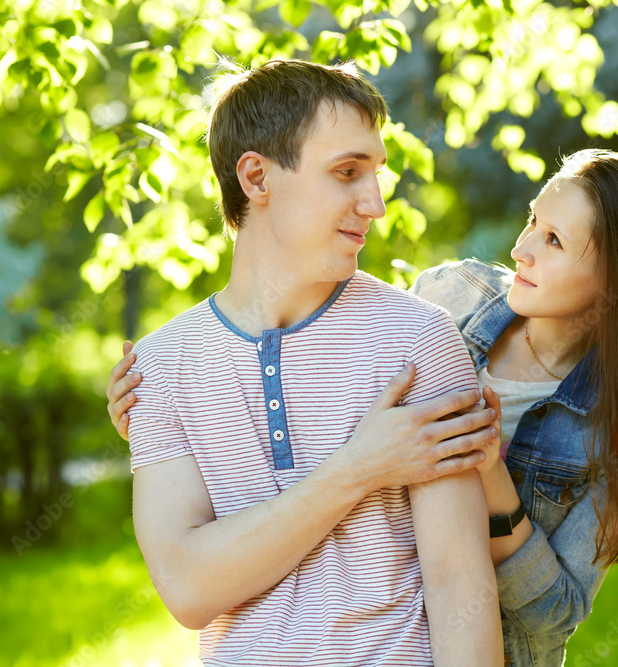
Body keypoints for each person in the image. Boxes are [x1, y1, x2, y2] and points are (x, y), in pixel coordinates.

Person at [108, 148, 618, 665]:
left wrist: (489, 470)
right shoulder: (451, 294)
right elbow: (336, 384)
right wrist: (173, 413)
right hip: (389, 630)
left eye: (553, 241)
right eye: (532, 220)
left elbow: (555, 614)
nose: (521, 248)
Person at [116, 58, 504, 666]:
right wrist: (359, 467)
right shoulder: (159, 368)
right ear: (256, 177)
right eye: (347, 172)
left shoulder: (419, 341)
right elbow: (189, 589)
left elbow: (460, 585)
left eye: (375, 174)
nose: (375, 204)